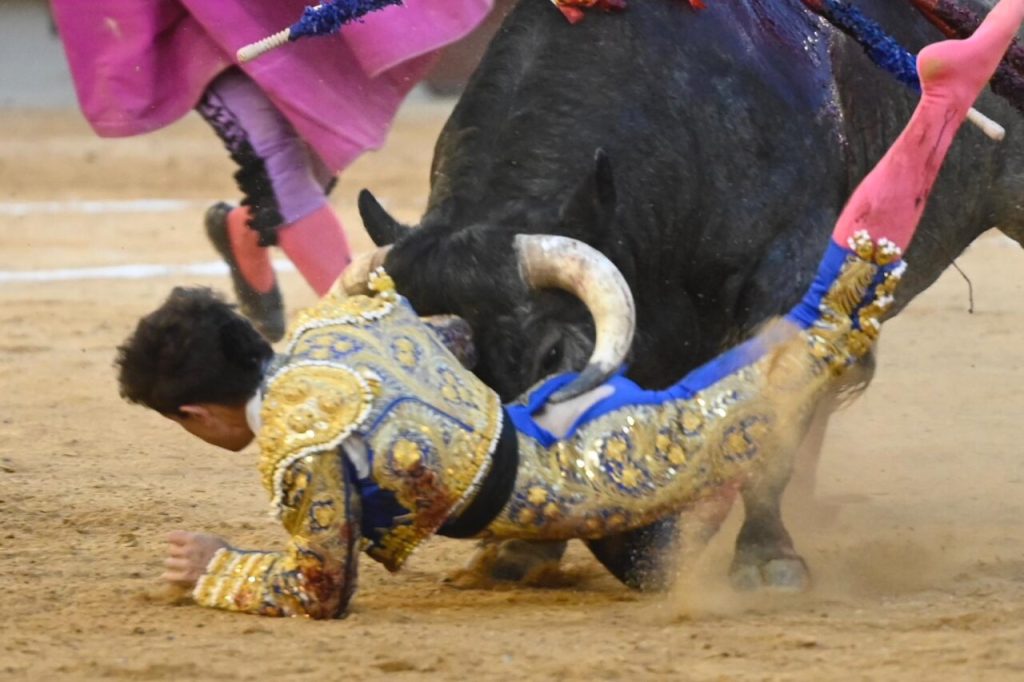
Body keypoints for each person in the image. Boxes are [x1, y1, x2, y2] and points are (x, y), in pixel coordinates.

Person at [114, 0, 1024, 618]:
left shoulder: (305, 442)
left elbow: (320, 583)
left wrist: (215, 571)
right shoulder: (338, 331)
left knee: (682, 513)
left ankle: (940, 102)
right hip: (612, 444)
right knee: (816, 323)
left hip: (610, 471)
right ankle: (945, 99)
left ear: (198, 411)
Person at [51, 0, 493, 341]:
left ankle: (244, 230)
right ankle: (381, 333)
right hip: (193, 21)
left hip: (278, 9)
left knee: (308, 150)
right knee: (278, 167)